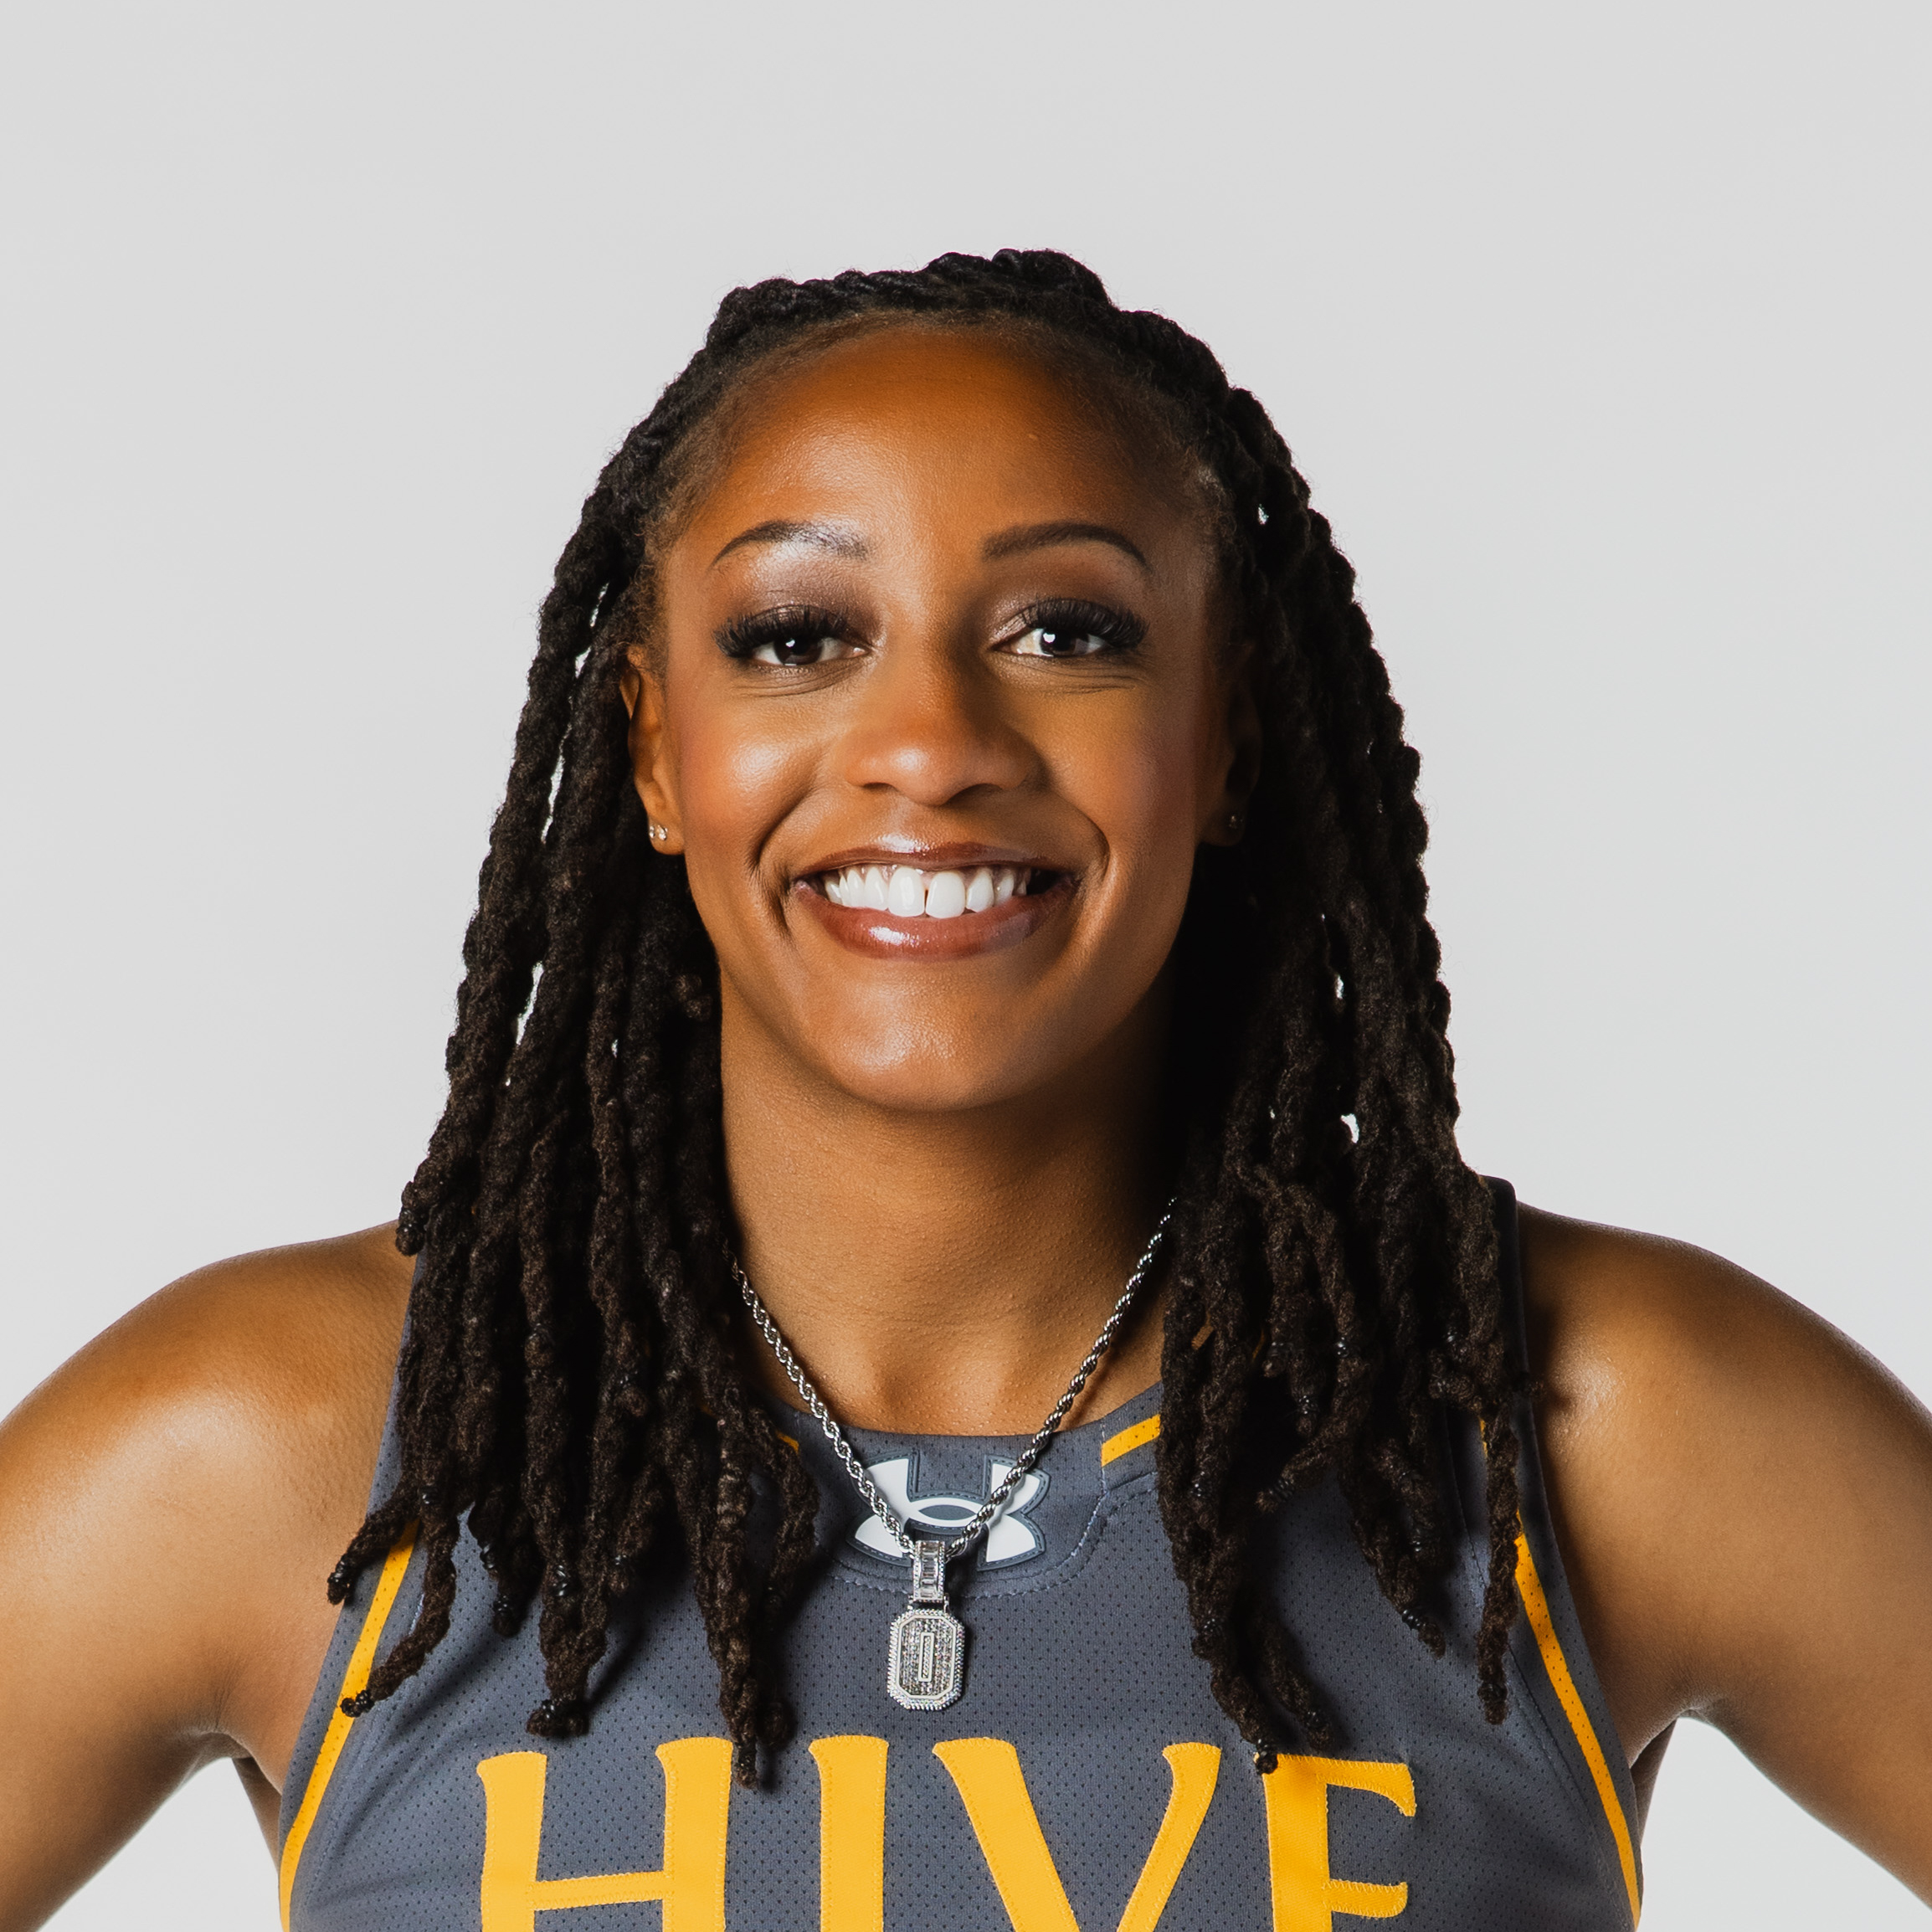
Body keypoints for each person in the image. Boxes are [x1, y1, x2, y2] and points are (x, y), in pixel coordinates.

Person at [1, 249, 1927, 1932]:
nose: (927, 742)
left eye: (1063, 631)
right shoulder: (274, 1446)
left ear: (1226, 735)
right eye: (797, 637)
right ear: (655, 749)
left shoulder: (1599, 1423)